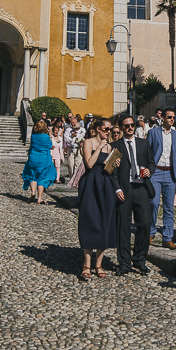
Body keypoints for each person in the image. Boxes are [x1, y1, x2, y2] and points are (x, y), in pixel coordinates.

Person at [111, 114, 155, 275]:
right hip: (124, 189)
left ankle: (139, 259)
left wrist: (150, 170)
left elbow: (151, 162)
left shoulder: (143, 144)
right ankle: (124, 262)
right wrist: (117, 189)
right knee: (123, 226)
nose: (130, 127)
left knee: (144, 224)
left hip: (141, 187)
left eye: (132, 125)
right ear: (121, 128)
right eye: (127, 125)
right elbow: (111, 171)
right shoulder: (115, 146)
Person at [77, 118, 117, 280]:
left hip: (105, 185)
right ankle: (87, 264)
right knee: (89, 219)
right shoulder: (88, 142)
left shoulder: (110, 147)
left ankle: (98, 264)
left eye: (110, 129)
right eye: (106, 129)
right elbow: (89, 164)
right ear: (98, 129)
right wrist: (99, 147)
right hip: (90, 183)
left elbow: (109, 170)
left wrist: (114, 163)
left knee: (104, 221)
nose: (108, 132)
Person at [146, 107, 176, 249]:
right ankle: (150, 232)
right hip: (155, 172)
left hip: (170, 173)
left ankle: (167, 238)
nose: (172, 119)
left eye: (173, 117)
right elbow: (148, 152)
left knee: (169, 207)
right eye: (169, 117)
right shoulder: (153, 133)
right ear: (162, 118)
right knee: (154, 203)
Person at [22, 121, 57, 203]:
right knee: (42, 177)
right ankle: (39, 198)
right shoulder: (46, 137)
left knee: (33, 176)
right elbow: (50, 145)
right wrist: (50, 133)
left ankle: (33, 192)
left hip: (33, 158)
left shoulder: (33, 136)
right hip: (44, 159)